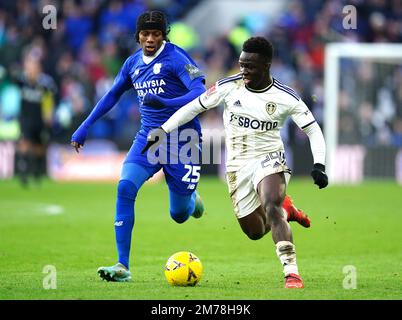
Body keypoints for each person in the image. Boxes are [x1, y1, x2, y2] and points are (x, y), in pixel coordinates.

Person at [143, 37, 328, 289]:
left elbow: (314, 130)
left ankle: (291, 273)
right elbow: (193, 107)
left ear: (266, 65)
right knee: (254, 231)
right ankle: (288, 210)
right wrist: (163, 130)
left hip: (269, 157)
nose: (244, 71)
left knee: (270, 204)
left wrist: (319, 165)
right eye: (241, 65)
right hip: (237, 166)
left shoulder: (285, 97)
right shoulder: (229, 87)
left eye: (250, 66)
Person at [71, 10, 207, 282]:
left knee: (178, 215)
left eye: (156, 34)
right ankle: (123, 265)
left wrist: (166, 104)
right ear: (138, 36)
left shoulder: (176, 58)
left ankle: (192, 201)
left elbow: (200, 91)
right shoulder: (132, 63)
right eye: (145, 34)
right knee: (125, 186)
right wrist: (85, 125)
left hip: (183, 140)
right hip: (149, 138)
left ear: (163, 35)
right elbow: (112, 95)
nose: (150, 39)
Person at [14, 51, 57, 186]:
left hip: (40, 119)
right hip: (25, 118)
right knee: (24, 143)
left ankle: (37, 172)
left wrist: (49, 113)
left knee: (39, 147)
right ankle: (23, 173)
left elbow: (50, 98)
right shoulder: (21, 80)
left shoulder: (46, 83)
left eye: (33, 65)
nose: (31, 68)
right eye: (28, 65)